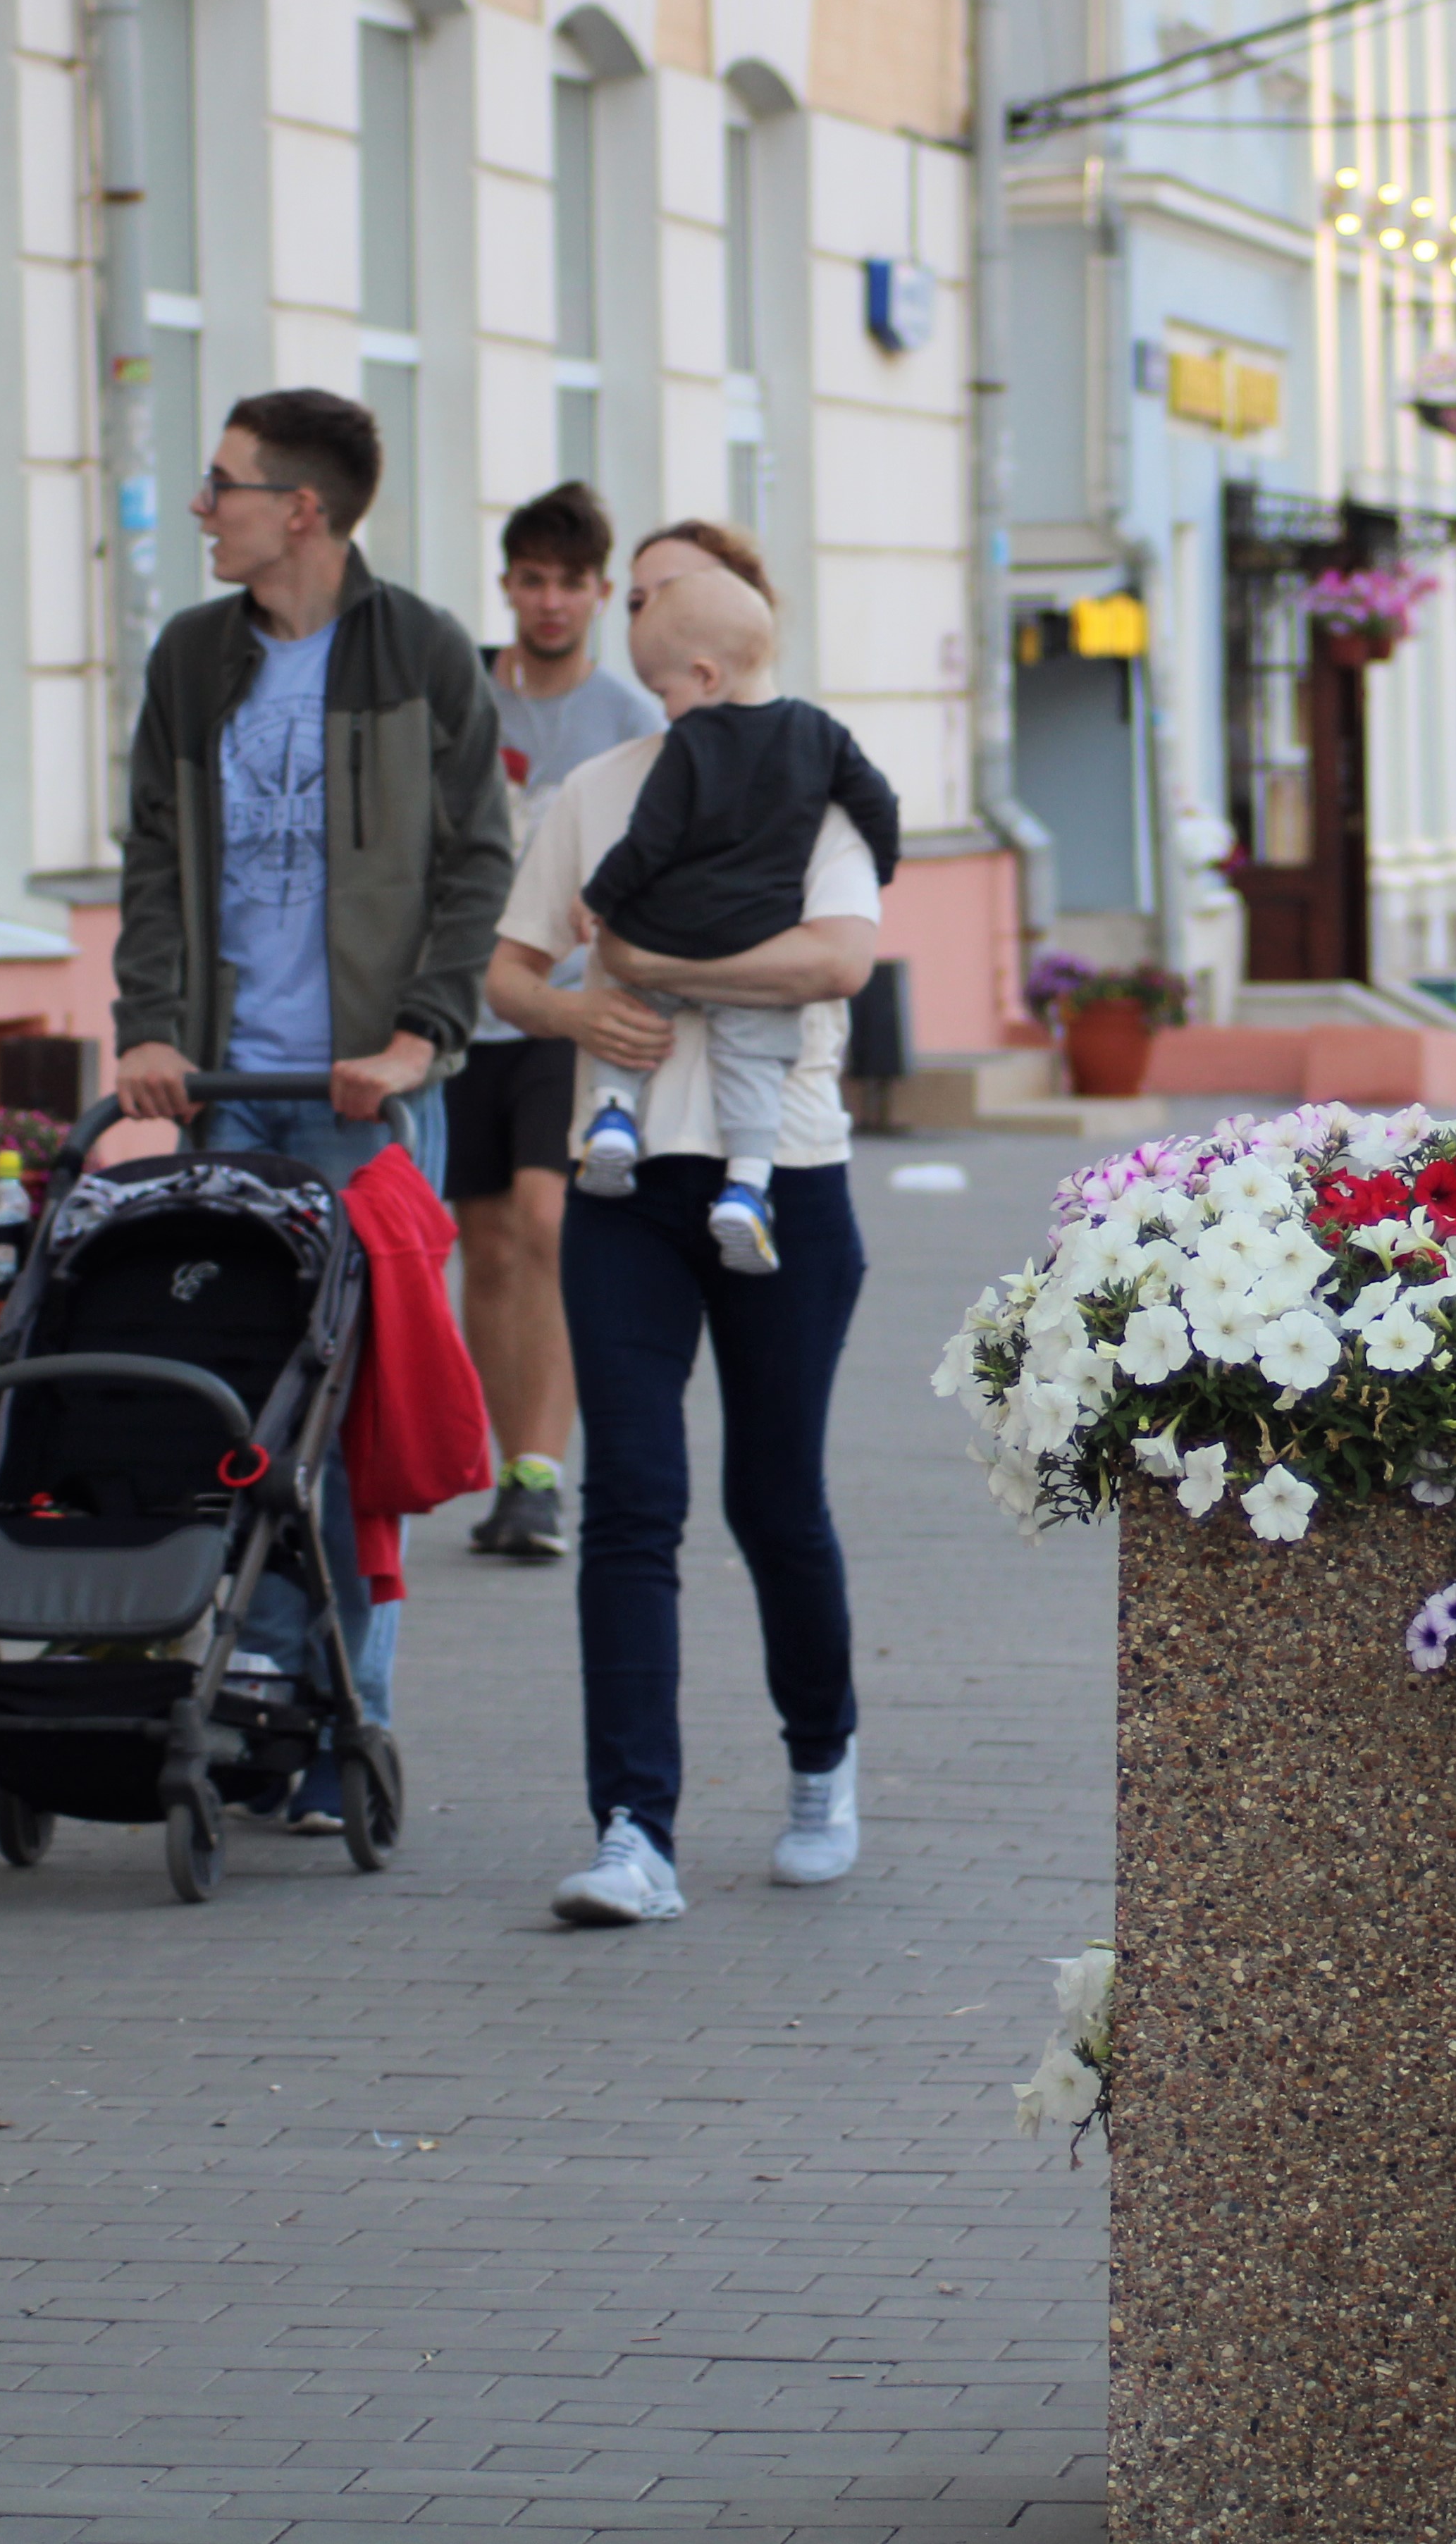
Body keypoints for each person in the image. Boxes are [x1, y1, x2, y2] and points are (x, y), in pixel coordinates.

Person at [111, 385, 512, 1836]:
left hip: (360, 1107)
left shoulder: (422, 654)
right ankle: (263, 1690)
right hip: (232, 1094)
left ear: (301, 509)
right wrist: (150, 1026)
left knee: (353, 1425)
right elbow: (155, 856)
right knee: (239, 1413)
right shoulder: (192, 657)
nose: (199, 506)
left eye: (220, 484)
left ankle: (353, 1720)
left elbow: (477, 862)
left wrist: (417, 1038)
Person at [488, 519, 881, 1925]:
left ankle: (822, 1763)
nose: (644, 613)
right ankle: (632, 1829)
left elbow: (838, 959)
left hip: (788, 1184)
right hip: (628, 1190)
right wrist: (576, 1011)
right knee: (631, 1500)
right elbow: (512, 968)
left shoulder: (815, 779)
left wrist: (650, 958)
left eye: (664, 591)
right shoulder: (594, 790)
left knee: (773, 1500)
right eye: (639, 593)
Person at [573, 572, 902, 1268]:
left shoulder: (691, 742)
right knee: (753, 1063)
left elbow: (649, 840)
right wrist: (882, 863)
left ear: (705, 674)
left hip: (666, 929)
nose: (666, 711)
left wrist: (598, 896)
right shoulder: (821, 734)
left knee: (628, 1009)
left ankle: (614, 1116)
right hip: (757, 936)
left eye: (665, 693)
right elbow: (878, 803)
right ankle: (747, 1187)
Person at [453, 481, 662, 1563]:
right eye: (531, 581)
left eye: (570, 583)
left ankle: (542, 1471)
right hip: (463, 1005)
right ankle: (512, 1472)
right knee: (485, 1247)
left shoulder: (629, 721)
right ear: (506, 586)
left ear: (601, 592)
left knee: (547, 1221)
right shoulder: (462, 705)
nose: (549, 602)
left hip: (569, 1005)